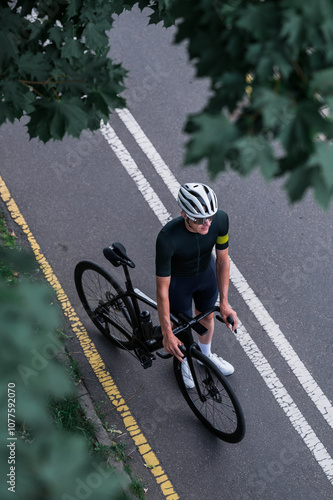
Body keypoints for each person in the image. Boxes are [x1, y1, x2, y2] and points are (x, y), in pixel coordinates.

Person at [155, 182, 238, 387]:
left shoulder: (220, 219)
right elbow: (162, 290)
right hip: (178, 284)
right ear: (184, 214)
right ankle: (184, 359)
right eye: (200, 219)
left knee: (207, 316)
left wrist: (225, 303)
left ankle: (206, 355)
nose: (207, 224)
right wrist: (167, 333)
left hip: (205, 275)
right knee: (181, 327)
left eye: (210, 217)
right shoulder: (167, 238)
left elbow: (222, 260)